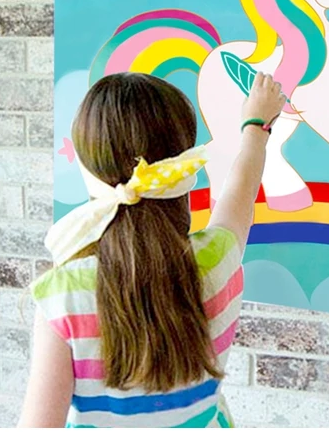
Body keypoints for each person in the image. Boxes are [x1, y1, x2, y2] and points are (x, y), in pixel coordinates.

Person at [18, 71, 286, 428]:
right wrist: (256, 126)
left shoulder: (63, 299)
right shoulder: (217, 261)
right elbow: (242, 189)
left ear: (87, 167)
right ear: (181, 165)